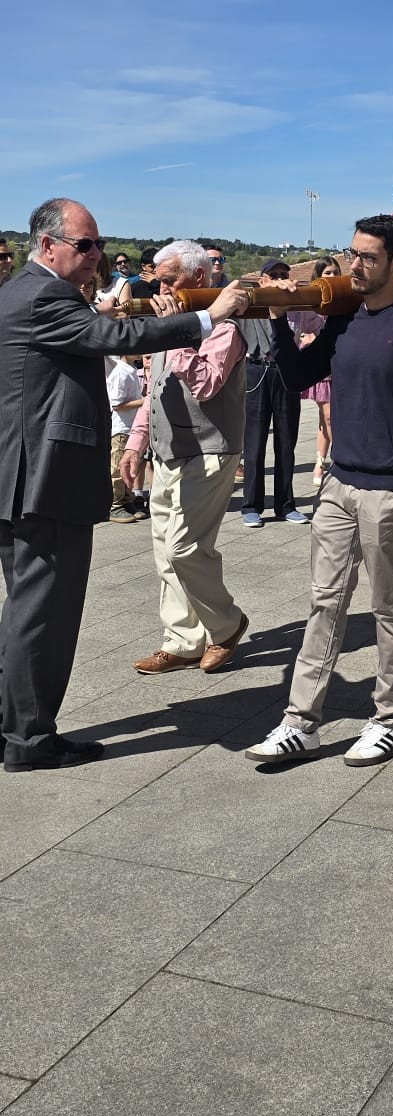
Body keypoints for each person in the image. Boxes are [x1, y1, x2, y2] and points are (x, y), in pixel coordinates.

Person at [0, 200, 248, 771]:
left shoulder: (18, 290)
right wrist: (210, 314)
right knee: (44, 616)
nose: (95, 256)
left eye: (96, 244)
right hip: (45, 484)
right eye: (84, 246)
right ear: (47, 246)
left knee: (24, 612)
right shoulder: (45, 295)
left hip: (23, 478)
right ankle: (29, 741)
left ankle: (18, 728)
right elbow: (114, 337)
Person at [246, 215, 393, 768]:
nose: (355, 265)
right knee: (325, 604)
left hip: (392, 489)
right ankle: (301, 722)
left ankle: (389, 720)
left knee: (389, 607)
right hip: (338, 483)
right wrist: (280, 318)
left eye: (368, 256)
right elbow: (296, 378)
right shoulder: (344, 321)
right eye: (352, 253)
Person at [121, 241, 250, 675]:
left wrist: (176, 334)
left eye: (169, 279)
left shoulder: (225, 327)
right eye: (157, 278)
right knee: (164, 551)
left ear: (198, 278)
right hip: (167, 452)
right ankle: (183, 639)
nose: (160, 287)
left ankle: (227, 624)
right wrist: (136, 444)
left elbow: (207, 384)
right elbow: (152, 392)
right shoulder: (166, 326)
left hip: (207, 449)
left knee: (184, 548)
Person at [239, 258, 308, 528]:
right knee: (254, 443)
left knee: (286, 441)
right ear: (262, 279)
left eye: (283, 274)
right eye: (273, 274)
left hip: (285, 372)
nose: (280, 278)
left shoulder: (295, 304)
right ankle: (251, 505)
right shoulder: (252, 301)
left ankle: (286, 504)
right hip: (256, 369)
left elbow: (315, 323)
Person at [291, 256, 340, 487]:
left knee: (329, 417)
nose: (331, 276)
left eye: (334, 272)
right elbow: (304, 327)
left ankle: (322, 461)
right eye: (327, 272)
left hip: (340, 363)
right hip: (322, 363)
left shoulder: (344, 299)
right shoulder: (312, 299)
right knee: (328, 415)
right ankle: (328, 462)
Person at [106, 354, 145, 523]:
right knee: (117, 468)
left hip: (131, 427)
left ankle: (127, 501)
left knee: (130, 468)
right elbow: (116, 404)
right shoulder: (120, 372)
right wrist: (142, 402)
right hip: (121, 428)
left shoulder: (131, 370)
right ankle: (115, 505)